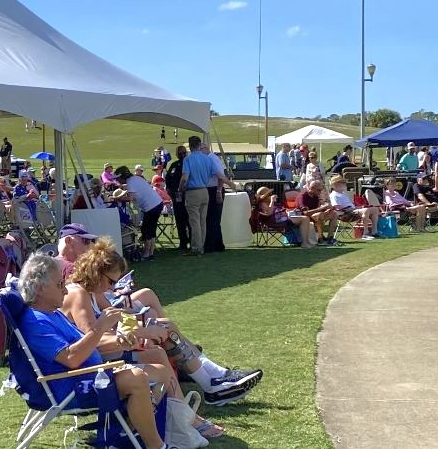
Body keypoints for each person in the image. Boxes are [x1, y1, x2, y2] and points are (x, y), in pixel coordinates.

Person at [62, 241, 262, 408]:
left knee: (165, 326)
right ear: (97, 273)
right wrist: (144, 331)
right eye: (111, 282)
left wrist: (142, 326)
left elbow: (120, 316)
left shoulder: (92, 292)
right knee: (163, 332)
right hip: (99, 359)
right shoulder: (78, 295)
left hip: (112, 348)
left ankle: (214, 381)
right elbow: (92, 340)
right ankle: (210, 386)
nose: (113, 288)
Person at [16, 254, 168, 448]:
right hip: (73, 387)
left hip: (90, 376)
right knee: (136, 377)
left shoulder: (52, 314)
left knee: (161, 372)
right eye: (59, 284)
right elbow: (71, 358)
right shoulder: (36, 321)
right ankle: (154, 444)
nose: (64, 290)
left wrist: (120, 341)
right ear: (39, 289)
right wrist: (101, 326)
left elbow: (86, 343)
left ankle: (131, 431)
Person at [114, 165, 163, 261]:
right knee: (151, 229)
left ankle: (146, 254)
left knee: (147, 230)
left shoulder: (130, 182)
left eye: (118, 178)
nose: (117, 181)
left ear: (123, 176)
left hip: (151, 207)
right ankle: (150, 253)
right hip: (157, 203)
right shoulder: (135, 178)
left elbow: (131, 198)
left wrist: (117, 198)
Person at [178, 135, 215, 255]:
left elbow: (184, 177)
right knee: (202, 221)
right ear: (199, 145)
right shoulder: (208, 159)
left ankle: (196, 248)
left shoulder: (188, 159)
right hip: (205, 190)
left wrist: (180, 188)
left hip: (192, 191)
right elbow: (210, 174)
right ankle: (201, 246)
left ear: (190, 145)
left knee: (194, 222)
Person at [328, 175, 380, 240]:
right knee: (365, 210)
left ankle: (374, 231)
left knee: (374, 209)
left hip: (352, 211)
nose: (341, 185)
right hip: (344, 213)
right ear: (333, 185)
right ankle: (365, 233)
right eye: (339, 183)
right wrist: (350, 209)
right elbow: (335, 206)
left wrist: (358, 207)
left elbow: (351, 206)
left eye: (342, 183)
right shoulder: (334, 195)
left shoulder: (343, 193)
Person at [164, 145, 190, 251]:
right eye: (180, 153)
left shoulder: (189, 164)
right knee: (180, 221)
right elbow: (168, 179)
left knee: (190, 220)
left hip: (188, 196)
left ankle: (192, 241)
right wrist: (170, 191)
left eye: (184, 153)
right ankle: (183, 243)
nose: (182, 155)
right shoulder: (174, 165)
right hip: (177, 198)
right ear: (176, 154)